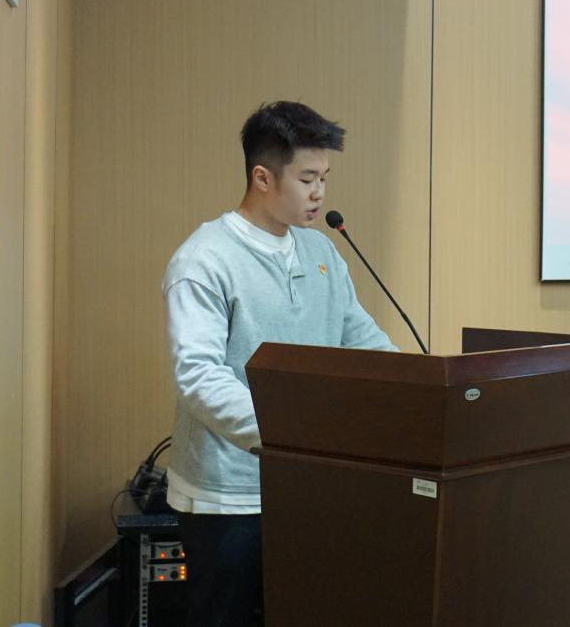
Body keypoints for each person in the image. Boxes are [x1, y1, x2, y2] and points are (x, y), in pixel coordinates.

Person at [163, 101, 398, 627]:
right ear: (263, 177)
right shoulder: (204, 259)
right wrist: (294, 433)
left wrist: (417, 392)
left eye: (325, 178)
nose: (319, 193)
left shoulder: (322, 252)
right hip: (228, 496)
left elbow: (361, 340)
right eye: (307, 179)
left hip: (309, 484)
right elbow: (199, 377)